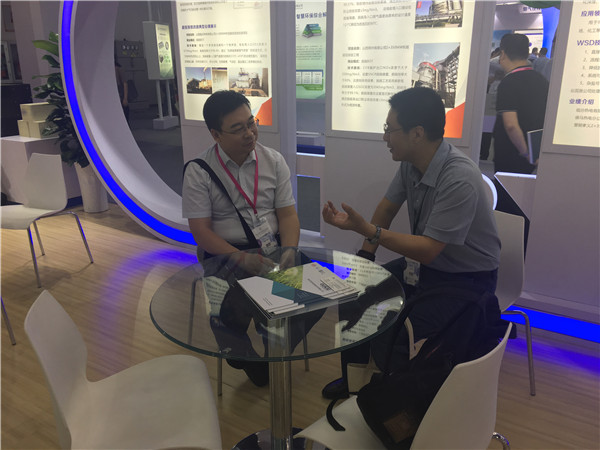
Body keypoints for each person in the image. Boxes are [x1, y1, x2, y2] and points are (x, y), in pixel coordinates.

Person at [321, 87, 501, 399]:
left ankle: (393, 398)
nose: (385, 137)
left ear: (417, 133)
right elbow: (386, 209)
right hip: (426, 268)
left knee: (393, 326)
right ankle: (354, 381)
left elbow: (429, 250)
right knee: (354, 294)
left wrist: (371, 231)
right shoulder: (411, 163)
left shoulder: (458, 176)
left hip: (466, 280)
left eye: (390, 129)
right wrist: (365, 257)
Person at [182, 90, 300, 386]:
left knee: (308, 298)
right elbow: (201, 231)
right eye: (238, 129)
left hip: (272, 247)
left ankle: (273, 347)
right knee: (227, 309)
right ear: (215, 134)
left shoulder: (273, 161)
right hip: (224, 252)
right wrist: (241, 258)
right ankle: (243, 353)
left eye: (251, 123)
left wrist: (289, 250)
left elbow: (287, 215)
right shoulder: (199, 171)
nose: (249, 133)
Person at [493, 33, 549, 175]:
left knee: (506, 188)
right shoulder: (541, 80)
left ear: (503, 54)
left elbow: (510, 125)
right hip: (535, 151)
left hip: (511, 153)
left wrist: (525, 153)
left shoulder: (509, 82)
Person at [115, 59, 129, 124]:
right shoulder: (117, 68)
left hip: (120, 93)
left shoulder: (118, 69)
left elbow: (125, 83)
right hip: (118, 92)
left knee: (123, 110)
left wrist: (125, 98)